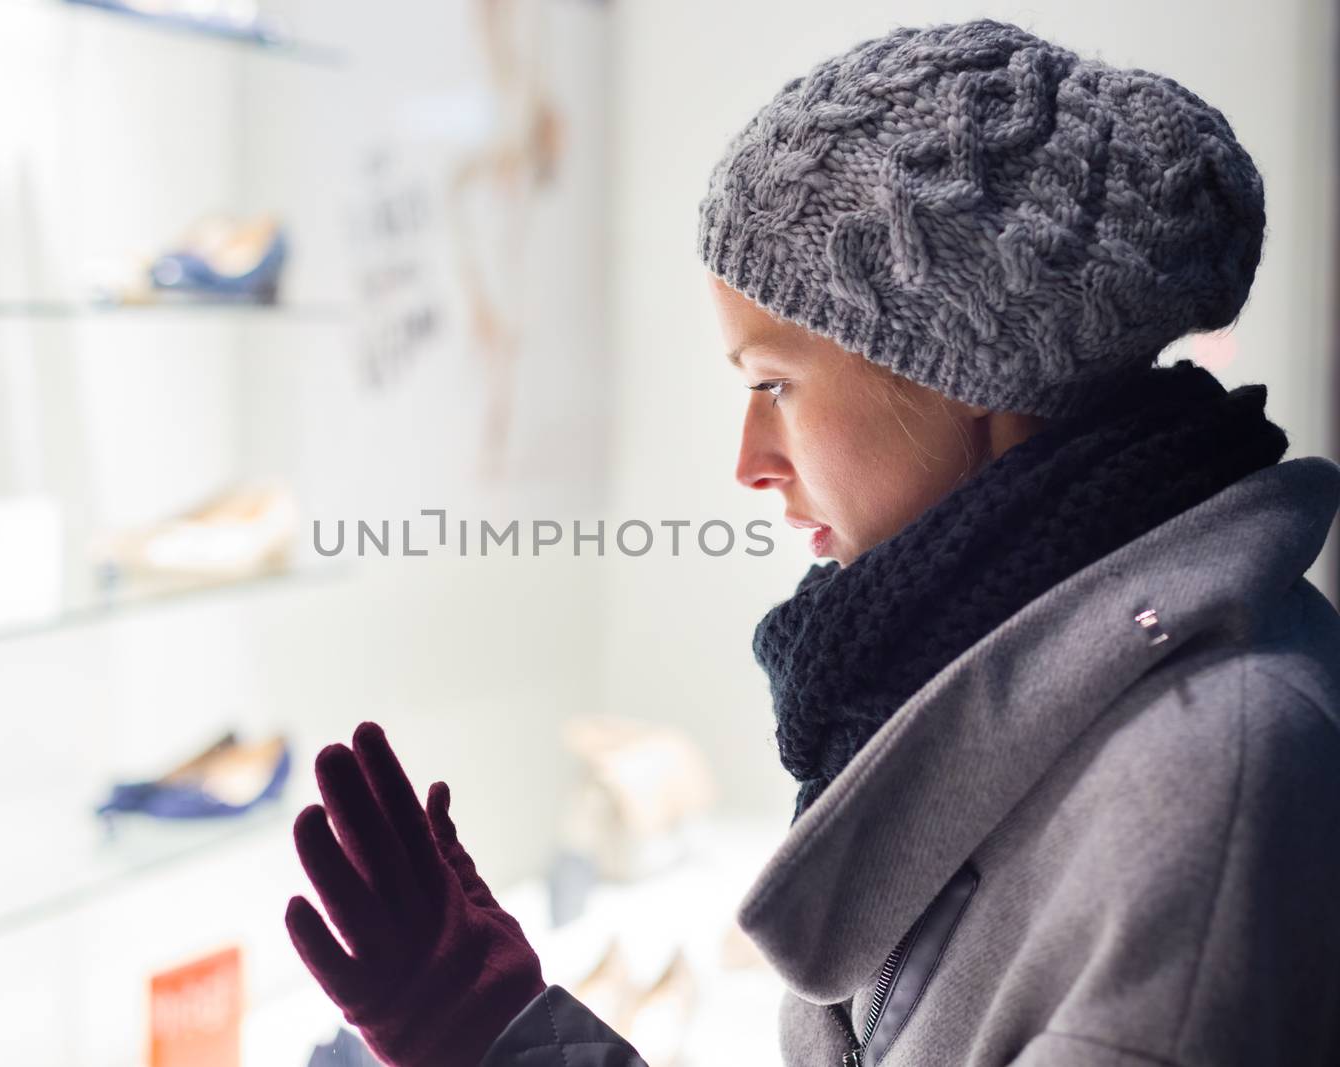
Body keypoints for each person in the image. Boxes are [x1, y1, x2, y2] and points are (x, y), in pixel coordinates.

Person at [283, 18, 1340, 1067]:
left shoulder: (1212, 789)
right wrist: (499, 1033)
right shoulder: (986, 677)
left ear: (972, 371)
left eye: (773, 385)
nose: (748, 462)